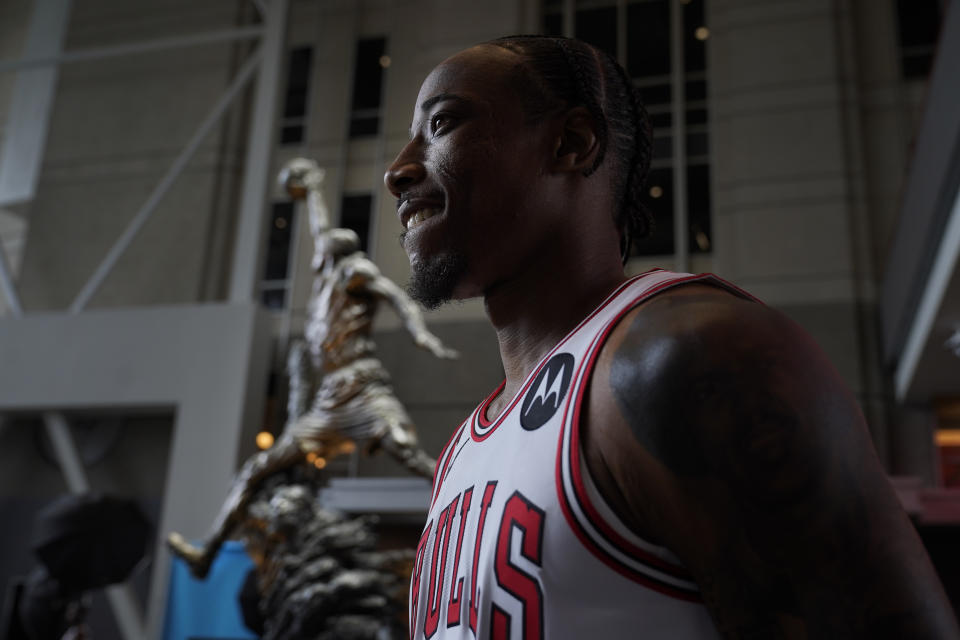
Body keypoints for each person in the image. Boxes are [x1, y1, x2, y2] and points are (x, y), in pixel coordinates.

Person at [383, 35, 960, 639]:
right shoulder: (461, 451)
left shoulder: (693, 354)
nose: (398, 170)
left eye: (441, 123)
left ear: (571, 143)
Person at [168, 158, 456, 579]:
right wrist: (313, 189)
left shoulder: (355, 271)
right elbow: (318, 229)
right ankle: (208, 551)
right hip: (328, 401)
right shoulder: (326, 275)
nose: (325, 244)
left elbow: (399, 297)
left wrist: (420, 334)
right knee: (257, 468)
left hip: (363, 389)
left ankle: (473, 512)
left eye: (334, 242)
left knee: (409, 455)